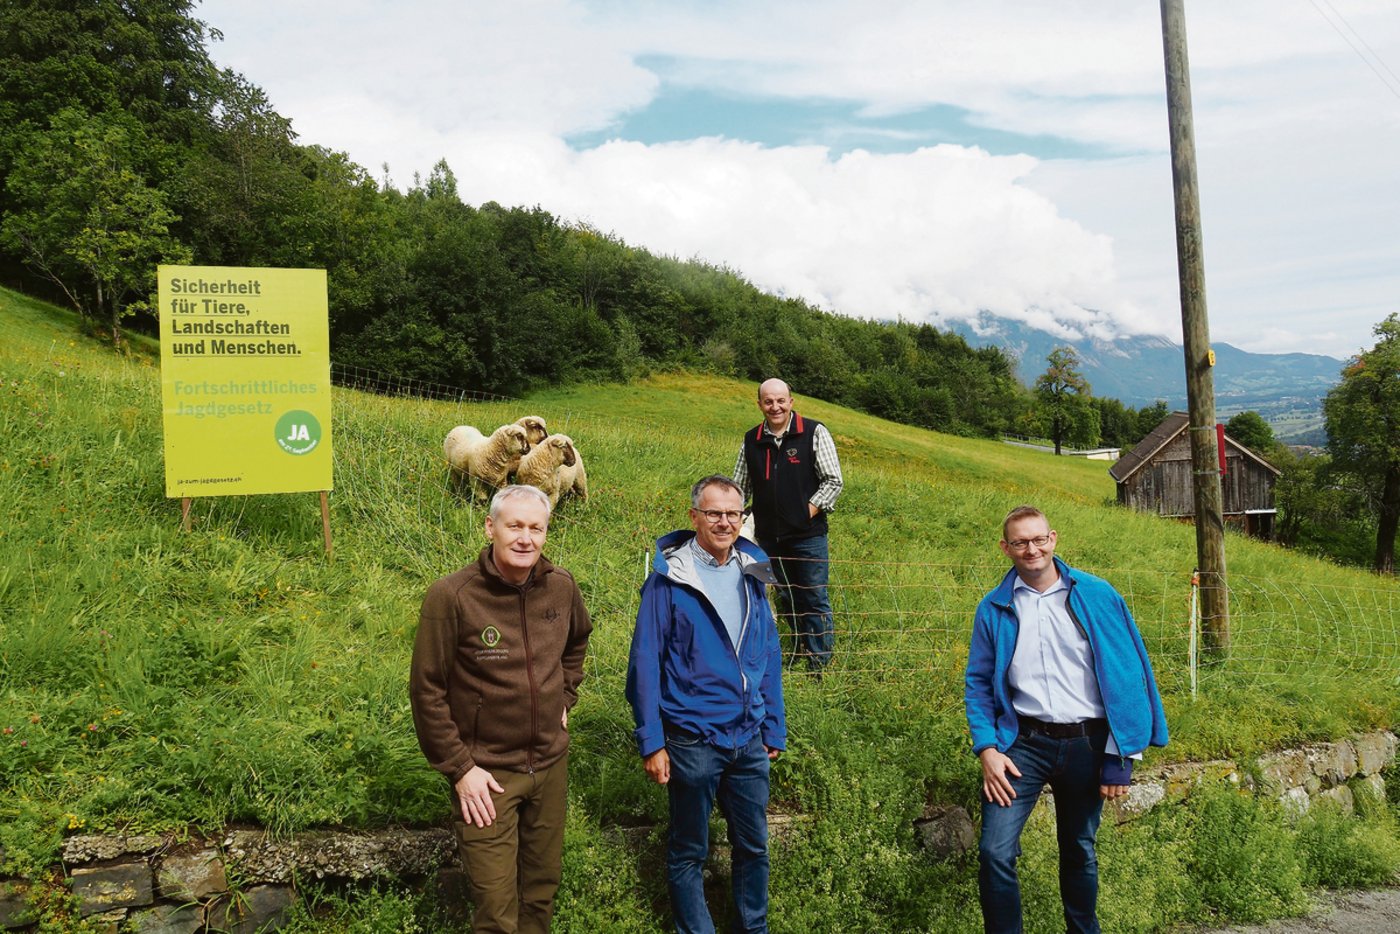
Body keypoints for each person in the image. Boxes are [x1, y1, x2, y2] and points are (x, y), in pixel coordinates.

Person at [964, 505, 1168, 934]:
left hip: (1088, 744)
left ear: (1053, 539)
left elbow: (1128, 674)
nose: (1031, 549)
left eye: (1038, 539)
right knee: (994, 852)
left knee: (1079, 849)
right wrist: (986, 748)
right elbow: (979, 683)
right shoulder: (994, 607)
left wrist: (1120, 757)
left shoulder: (1097, 594)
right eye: (1019, 542)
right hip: (1022, 745)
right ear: (1006, 548)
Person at [410, 484, 592, 934]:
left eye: (536, 528)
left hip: (549, 766)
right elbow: (426, 689)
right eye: (515, 526)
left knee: (540, 894)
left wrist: (565, 696)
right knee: (495, 908)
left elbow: (577, 642)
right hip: (487, 776)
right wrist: (460, 768)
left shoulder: (562, 587)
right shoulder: (453, 596)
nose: (525, 538)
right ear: (490, 527)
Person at [626, 475, 787, 934]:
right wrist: (651, 741)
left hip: (748, 739)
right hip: (693, 739)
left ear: (742, 518)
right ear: (694, 515)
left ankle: (752, 928)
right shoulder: (669, 579)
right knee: (689, 850)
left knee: (754, 846)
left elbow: (768, 651)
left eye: (733, 514)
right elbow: (645, 663)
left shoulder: (754, 571)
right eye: (713, 513)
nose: (724, 522)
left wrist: (773, 725)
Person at [732, 378, 843, 671]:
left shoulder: (813, 432)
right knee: (786, 597)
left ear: (791, 402)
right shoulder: (751, 439)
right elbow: (740, 487)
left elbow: (833, 481)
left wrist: (803, 512)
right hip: (768, 537)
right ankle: (795, 653)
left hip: (808, 535)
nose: (775, 407)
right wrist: (729, 513)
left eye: (781, 400)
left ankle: (818, 663)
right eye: (768, 401)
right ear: (760, 405)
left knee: (813, 596)